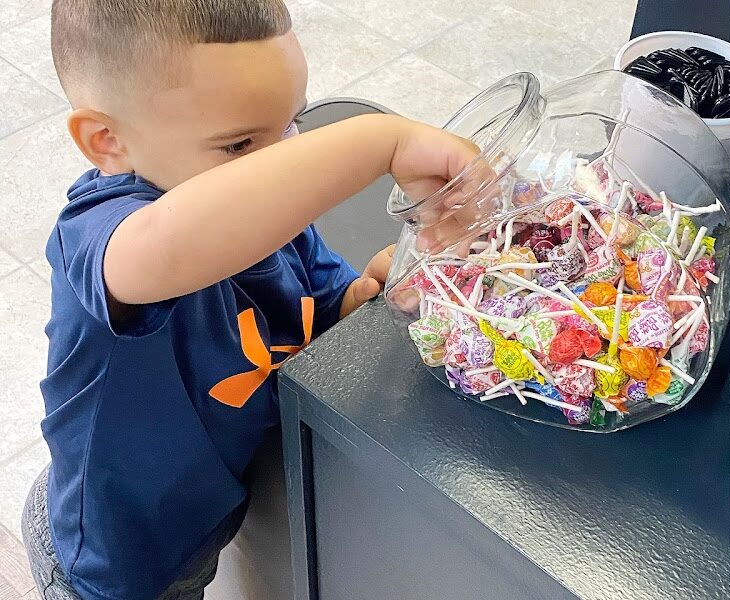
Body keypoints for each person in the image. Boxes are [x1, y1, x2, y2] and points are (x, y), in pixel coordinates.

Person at [21, 1, 479, 598]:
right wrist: (380, 143)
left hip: (198, 517)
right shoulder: (100, 234)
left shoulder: (277, 229)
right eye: (239, 146)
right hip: (111, 556)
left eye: (289, 127)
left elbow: (323, 309)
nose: (280, 163)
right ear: (108, 141)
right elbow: (165, 248)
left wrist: (372, 292)